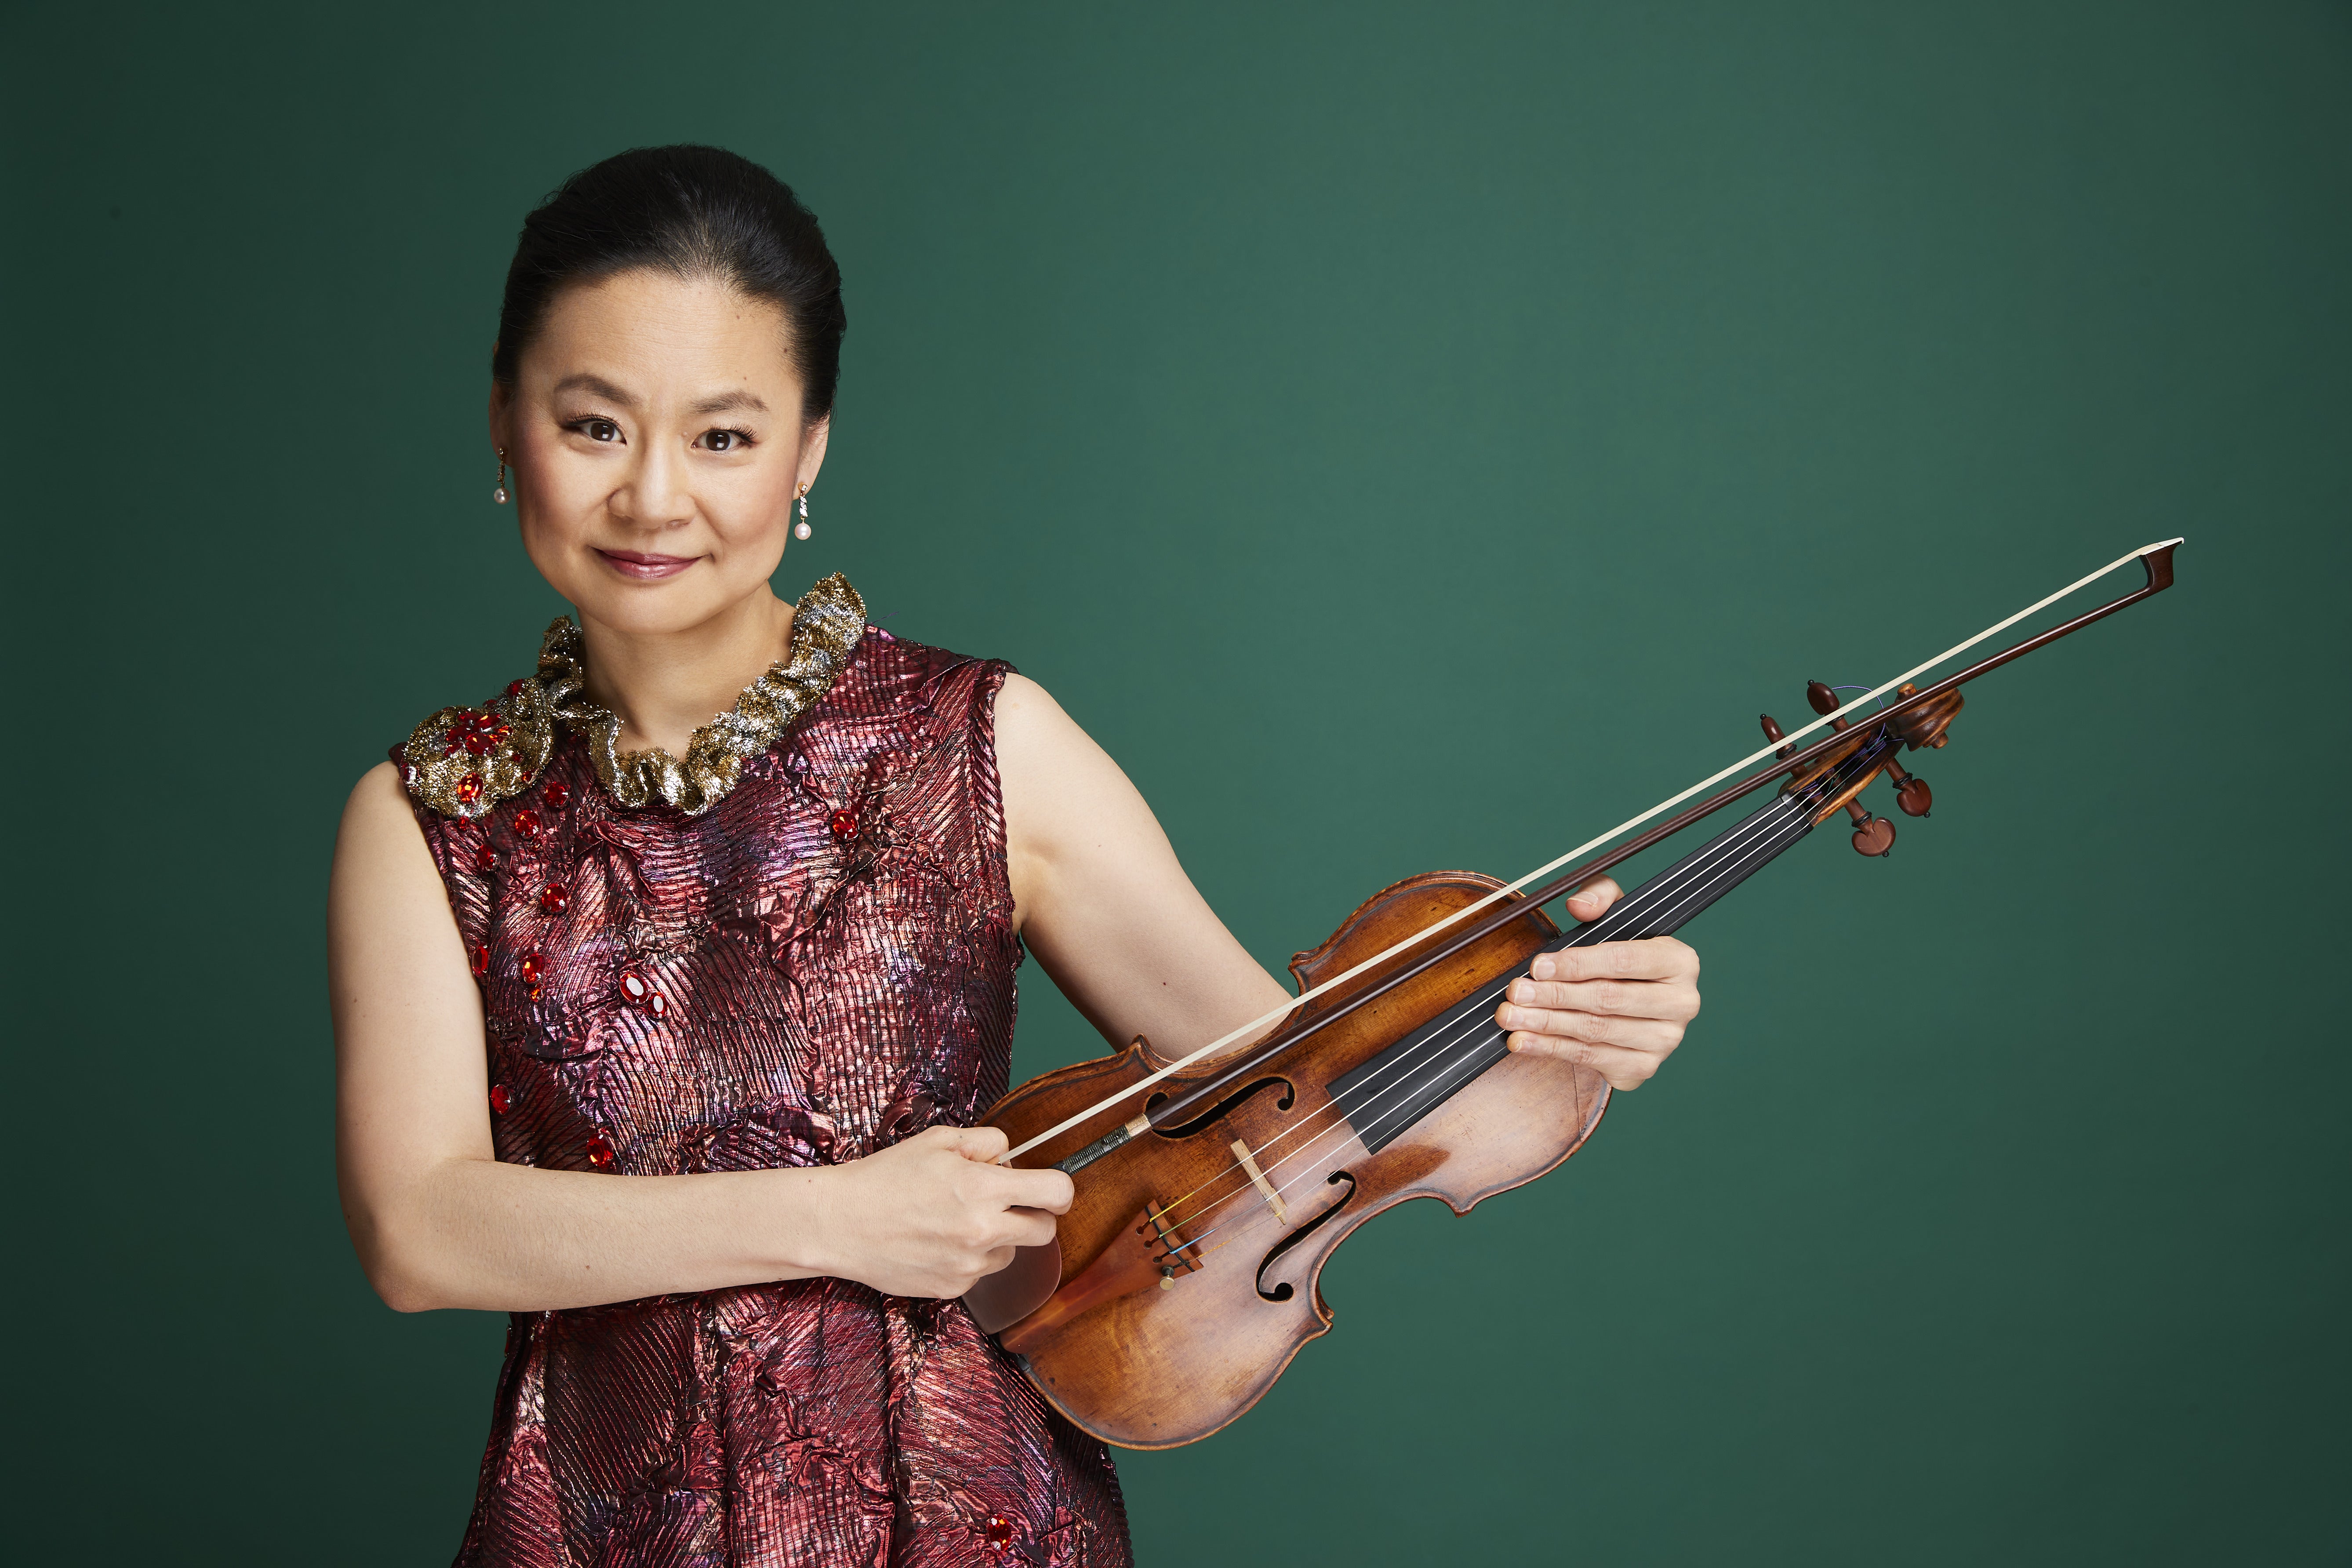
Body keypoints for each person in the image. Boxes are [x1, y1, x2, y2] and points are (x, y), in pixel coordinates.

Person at [329, 145, 1703, 1568]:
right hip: (600, 1529)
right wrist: (838, 1217)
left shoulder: (981, 743)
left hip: (967, 1519)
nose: (656, 498)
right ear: (504, 421)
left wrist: (1544, 1023)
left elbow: (1280, 1095)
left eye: (725, 436)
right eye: (595, 426)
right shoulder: (432, 816)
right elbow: (420, 1227)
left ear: (809, 448)